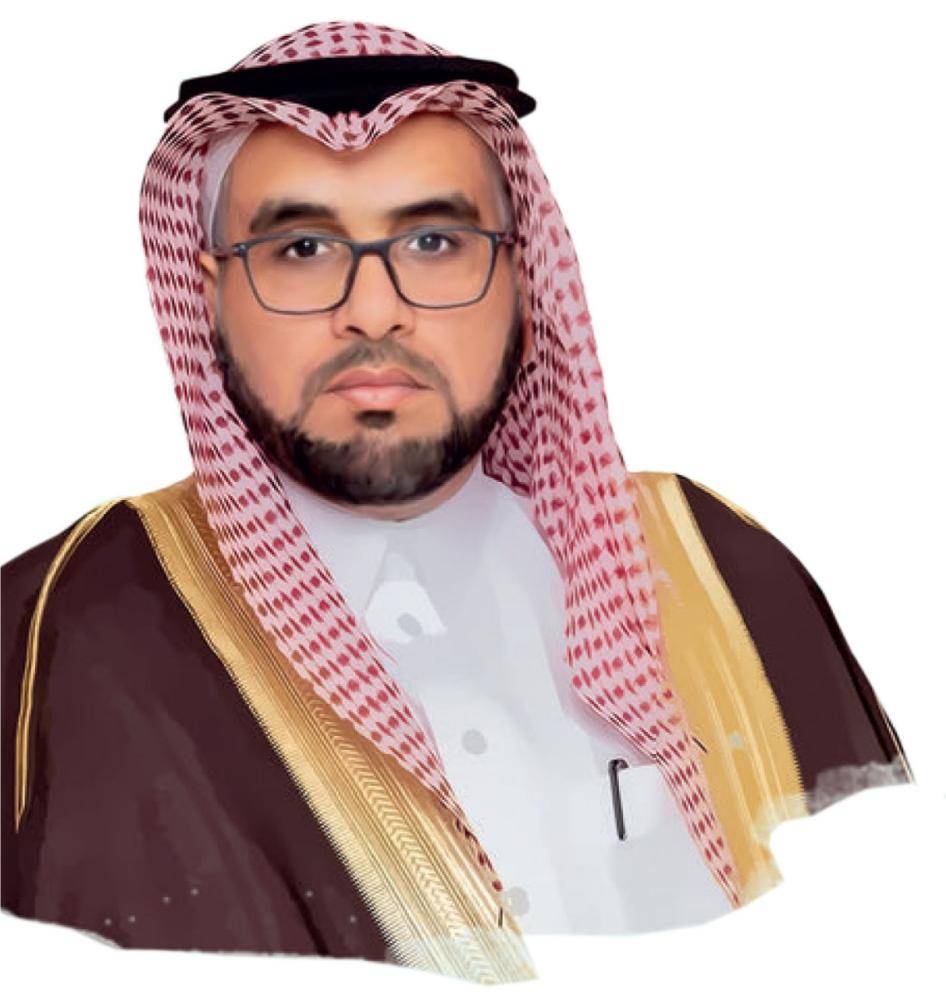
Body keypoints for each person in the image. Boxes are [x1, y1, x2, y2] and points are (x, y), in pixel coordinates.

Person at [0, 19, 914, 986]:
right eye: (303, 248)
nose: (373, 310)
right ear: (210, 296)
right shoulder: (66, 627)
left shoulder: (719, 569)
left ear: (522, 275)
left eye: (434, 242)